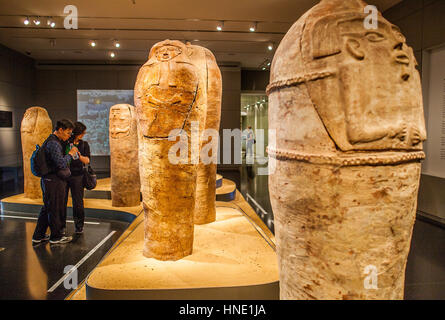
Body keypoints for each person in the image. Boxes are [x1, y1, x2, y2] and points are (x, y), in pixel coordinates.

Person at [32, 119, 78, 244]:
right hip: (52, 180)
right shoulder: (54, 143)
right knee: (54, 208)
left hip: (48, 180)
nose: (69, 136)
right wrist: (70, 153)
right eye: (68, 133)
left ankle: (38, 236)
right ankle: (56, 237)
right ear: (61, 130)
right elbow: (61, 164)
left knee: (47, 207)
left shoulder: (53, 141)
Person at [63, 122, 90, 234]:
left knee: (78, 202)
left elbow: (87, 160)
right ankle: (61, 227)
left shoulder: (84, 144)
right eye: (81, 133)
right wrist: (69, 153)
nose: (83, 135)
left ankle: (79, 226)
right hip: (63, 175)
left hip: (78, 176)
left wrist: (79, 156)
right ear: (76, 133)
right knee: (61, 202)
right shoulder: (65, 142)